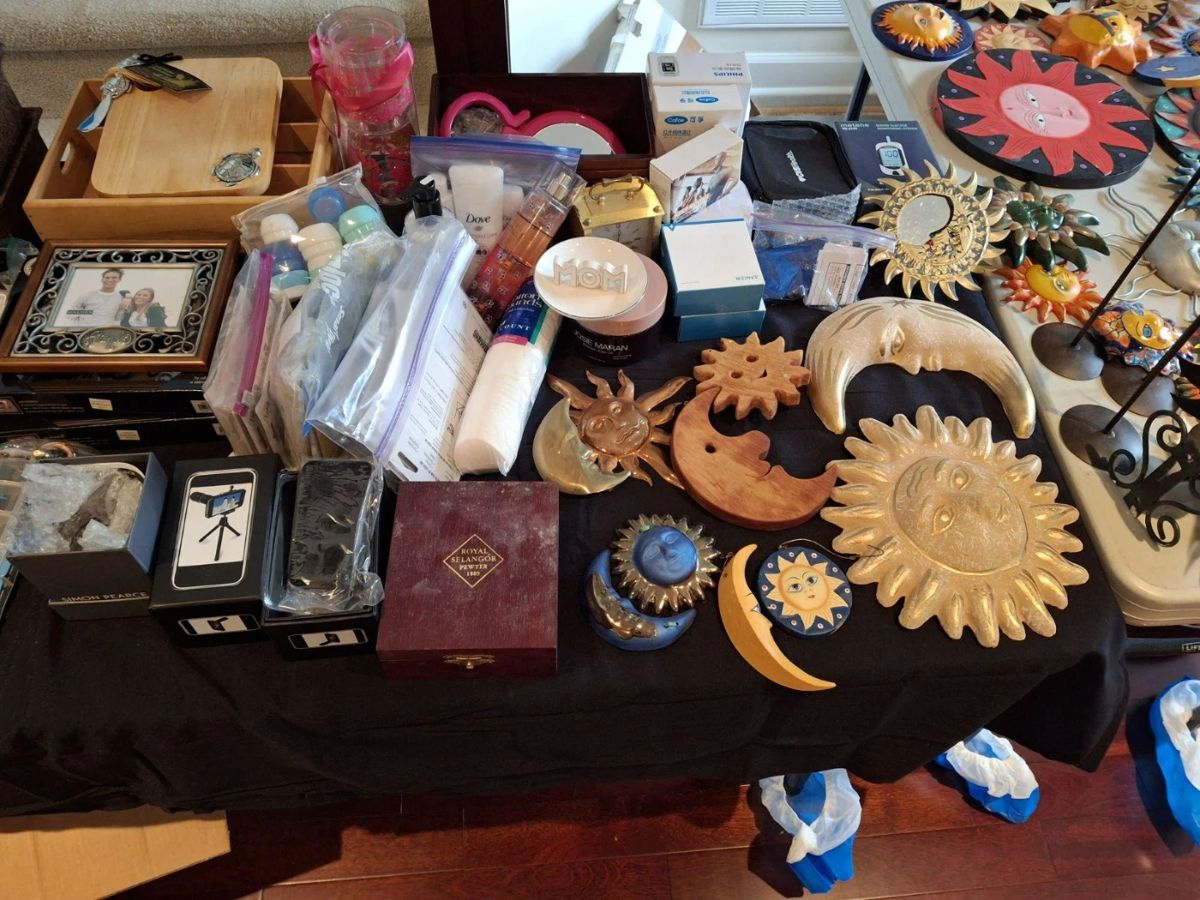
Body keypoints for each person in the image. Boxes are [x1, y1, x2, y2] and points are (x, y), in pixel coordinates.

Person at [60, 267, 126, 327]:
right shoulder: (87, 295)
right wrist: (88, 313)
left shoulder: (120, 298)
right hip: (85, 330)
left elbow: (118, 318)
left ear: (119, 280)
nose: (110, 280)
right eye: (107, 277)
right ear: (102, 279)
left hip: (106, 332)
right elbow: (71, 314)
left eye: (114, 278)